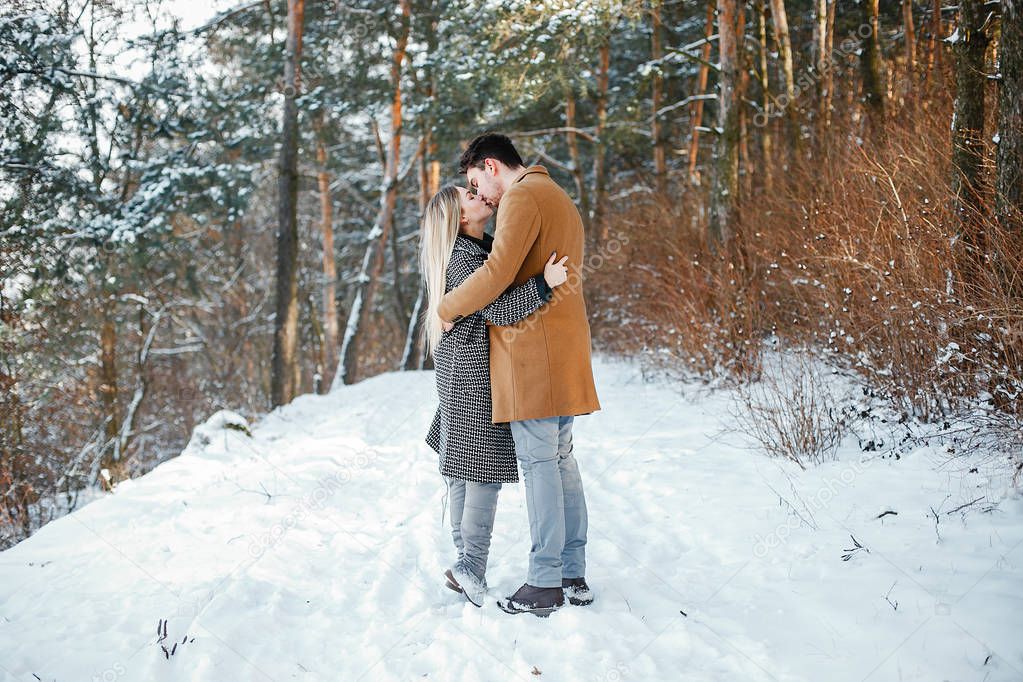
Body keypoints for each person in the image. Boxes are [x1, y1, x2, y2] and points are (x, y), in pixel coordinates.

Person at [437, 133, 601, 617]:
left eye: (474, 183)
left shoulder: (522, 196)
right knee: (562, 461)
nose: (481, 195)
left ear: (491, 167)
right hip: (563, 346)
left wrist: (446, 308)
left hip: (534, 353)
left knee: (541, 466)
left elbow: (495, 275)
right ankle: (572, 573)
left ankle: (546, 580)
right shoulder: (555, 194)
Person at [422, 184, 569, 607]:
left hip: (456, 368)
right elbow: (500, 309)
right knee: (480, 468)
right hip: (472, 373)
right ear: (460, 218)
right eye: (469, 198)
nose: (480, 197)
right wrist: (544, 283)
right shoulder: (467, 259)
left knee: (461, 464)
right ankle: (470, 566)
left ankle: (465, 560)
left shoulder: (465, 251)